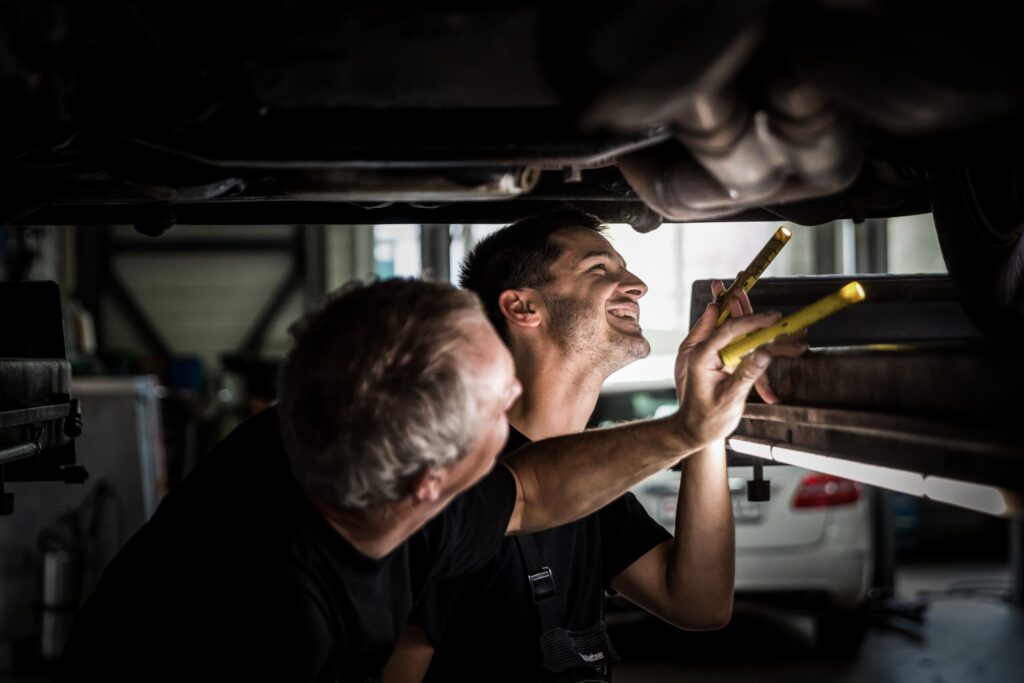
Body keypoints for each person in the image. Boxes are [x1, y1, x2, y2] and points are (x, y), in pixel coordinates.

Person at [56, 274, 778, 682]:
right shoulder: (277, 618)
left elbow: (530, 490)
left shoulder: (375, 457)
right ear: (434, 484)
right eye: (497, 409)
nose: (515, 408)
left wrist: (692, 428)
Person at [384, 210, 803, 682]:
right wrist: (691, 425)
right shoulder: (456, 480)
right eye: (599, 269)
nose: (638, 286)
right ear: (522, 307)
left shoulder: (594, 491)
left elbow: (699, 603)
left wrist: (705, 423)